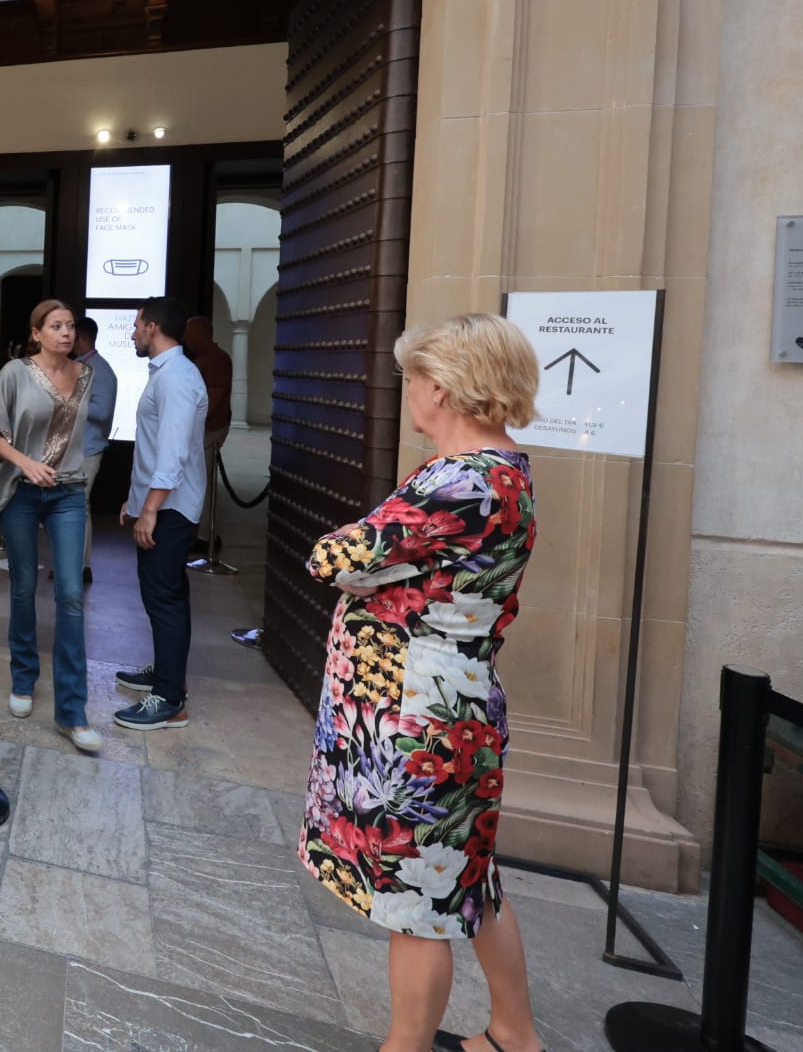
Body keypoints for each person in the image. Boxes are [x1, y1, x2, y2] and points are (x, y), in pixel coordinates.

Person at [299, 313, 543, 1052]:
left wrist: (365, 570)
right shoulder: (499, 470)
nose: (411, 391)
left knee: (416, 901)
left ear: (441, 386)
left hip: (418, 715)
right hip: (443, 699)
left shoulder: (465, 479)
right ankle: (513, 1031)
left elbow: (335, 555)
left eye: (414, 378)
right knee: (466, 877)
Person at [0, 300, 99, 751]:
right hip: (22, 492)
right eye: (56, 326)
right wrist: (26, 464)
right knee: (24, 584)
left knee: (70, 593)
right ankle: (23, 678)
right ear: (36, 333)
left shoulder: (86, 376)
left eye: (70, 326)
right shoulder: (14, 373)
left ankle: (73, 710)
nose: (66, 333)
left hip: (68, 491)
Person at [113, 296, 206, 732]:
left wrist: (149, 509)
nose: (132, 333)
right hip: (160, 504)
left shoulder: (175, 379)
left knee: (163, 598)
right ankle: (168, 673)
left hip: (169, 508)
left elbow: (171, 452)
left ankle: (170, 700)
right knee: (166, 596)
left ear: (152, 327)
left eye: (136, 326)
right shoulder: (171, 374)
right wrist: (135, 501)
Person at [183, 315, 234, 558]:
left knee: (205, 484)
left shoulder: (215, 360)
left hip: (210, 430)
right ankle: (202, 532)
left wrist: (195, 426)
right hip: (205, 429)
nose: (186, 338)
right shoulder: (204, 359)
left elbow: (213, 398)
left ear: (202, 334)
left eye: (190, 333)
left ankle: (207, 536)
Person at [73, 315, 118, 587]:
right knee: (71, 509)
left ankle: (80, 567)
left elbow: (102, 412)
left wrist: (72, 403)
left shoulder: (100, 371)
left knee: (79, 508)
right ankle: (74, 565)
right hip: (72, 451)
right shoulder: (78, 366)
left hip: (88, 451)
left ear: (80, 337)